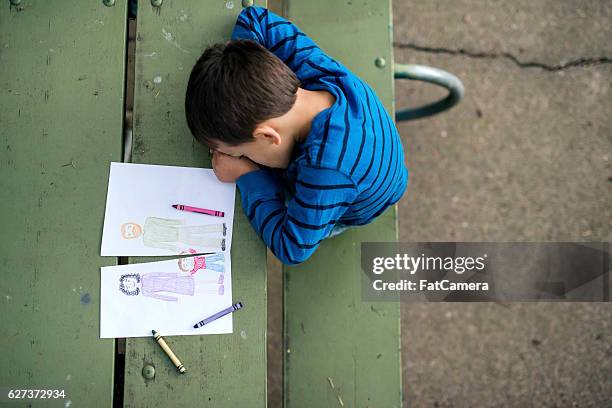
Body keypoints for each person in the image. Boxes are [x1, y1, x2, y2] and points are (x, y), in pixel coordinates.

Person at [185, 6, 408, 265]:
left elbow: (292, 249)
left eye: (240, 153)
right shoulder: (311, 69)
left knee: (294, 207)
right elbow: (254, 18)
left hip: (360, 201)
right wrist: (240, 78)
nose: (236, 157)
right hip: (367, 146)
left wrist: (246, 175)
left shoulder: (325, 173)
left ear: (268, 137)